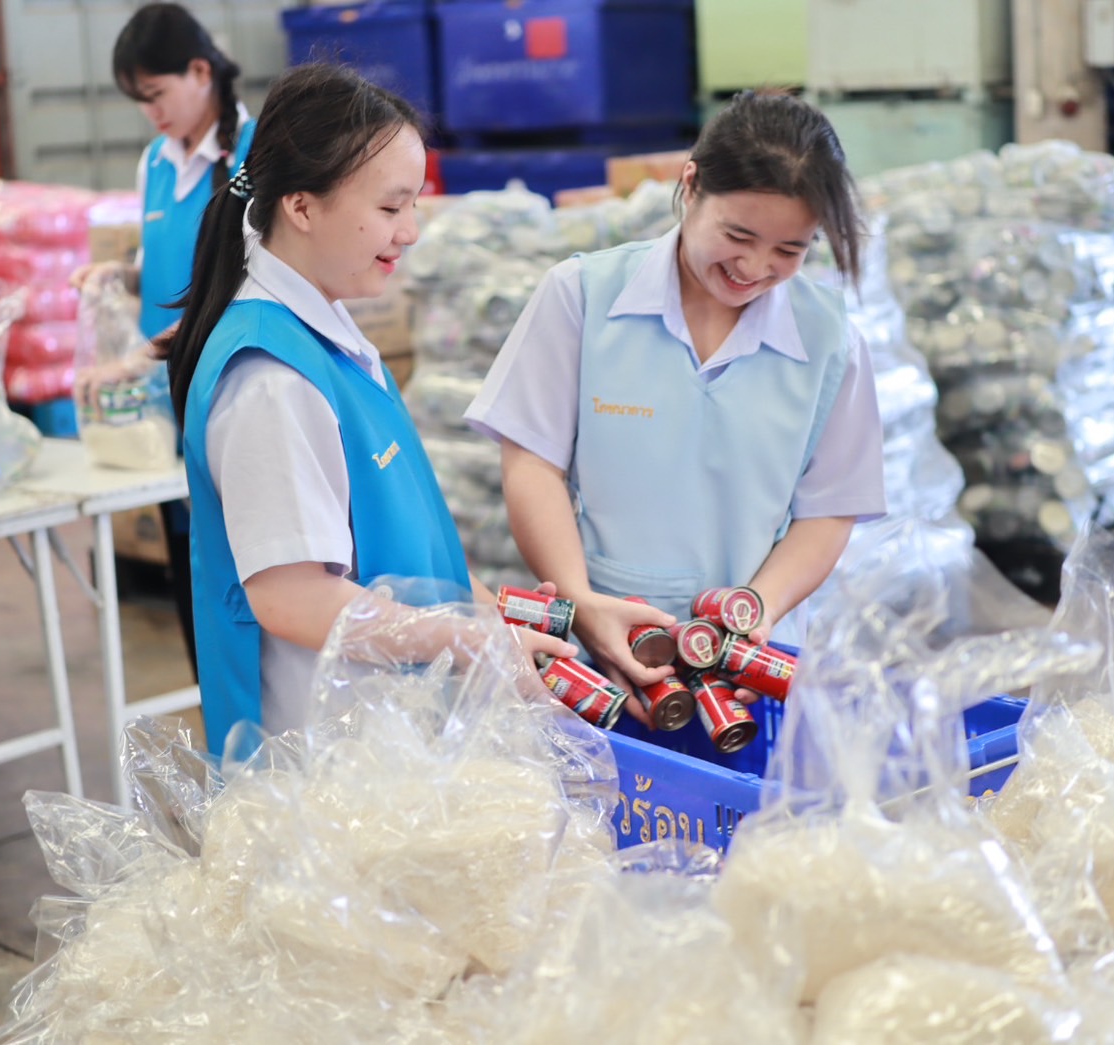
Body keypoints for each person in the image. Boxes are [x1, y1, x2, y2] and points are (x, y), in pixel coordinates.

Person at [159, 63, 576, 754]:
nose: (410, 232)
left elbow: (402, 540)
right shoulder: (271, 379)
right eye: (390, 209)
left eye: (414, 206)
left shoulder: (328, 334)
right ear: (301, 207)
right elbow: (293, 599)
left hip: (390, 736)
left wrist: (496, 621)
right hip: (324, 760)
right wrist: (469, 642)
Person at [465, 90, 887, 732]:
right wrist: (581, 603)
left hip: (749, 666)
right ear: (690, 186)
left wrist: (756, 615)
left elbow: (829, 511)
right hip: (598, 655)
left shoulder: (830, 341)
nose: (754, 266)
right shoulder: (584, 297)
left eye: (790, 250)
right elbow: (532, 465)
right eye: (737, 235)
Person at [69, 2, 256, 679]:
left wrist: (136, 360)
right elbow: (160, 269)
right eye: (139, 101)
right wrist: (115, 277)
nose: (150, 113)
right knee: (189, 562)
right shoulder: (155, 160)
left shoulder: (253, 157)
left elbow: (239, 292)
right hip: (167, 400)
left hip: (232, 390)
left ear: (200, 72)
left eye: (156, 94)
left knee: (245, 569)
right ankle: (215, 704)